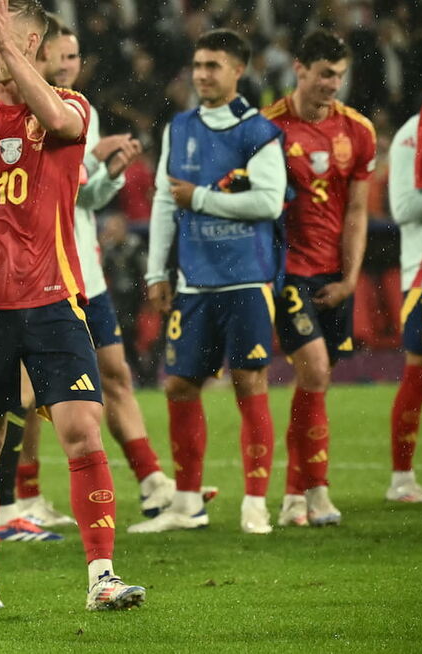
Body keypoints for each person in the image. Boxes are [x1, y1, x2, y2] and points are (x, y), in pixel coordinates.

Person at [0, 0, 144, 612]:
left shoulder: (68, 104)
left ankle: (101, 574)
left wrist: (15, 59)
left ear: (31, 44)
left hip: (54, 300)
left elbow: (62, 123)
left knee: (82, 432)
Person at [7, 16, 175, 529]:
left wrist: (109, 171)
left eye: (77, 57)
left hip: (85, 270)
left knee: (116, 373)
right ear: (38, 55)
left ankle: (152, 482)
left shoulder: (84, 109)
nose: (70, 65)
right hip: (37, 273)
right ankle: (19, 496)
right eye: (63, 56)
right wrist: (93, 161)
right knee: (26, 389)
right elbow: (38, 185)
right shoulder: (17, 110)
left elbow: (83, 196)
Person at [131, 29, 284, 535]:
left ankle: (256, 503)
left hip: (246, 279)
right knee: (179, 385)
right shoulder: (180, 127)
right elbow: (161, 200)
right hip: (194, 281)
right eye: (197, 65)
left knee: (248, 382)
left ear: (237, 70)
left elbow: (268, 202)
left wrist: (200, 199)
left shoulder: (257, 130)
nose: (201, 74)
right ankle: (189, 503)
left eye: (213, 65)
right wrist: (157, 270)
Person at [262, 30, 376, 527]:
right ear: (299, 68)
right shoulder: (266, 127)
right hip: (288, 272)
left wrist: (351, 279)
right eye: (325, 73)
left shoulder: (358, 131)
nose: (333, 83)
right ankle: (313, 490)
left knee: (318, 381)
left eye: (340, 75)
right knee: (314, 370)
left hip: (334, 273)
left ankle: (296, 499)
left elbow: (356, 214)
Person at [387, 90, 422, 501]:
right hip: (421, 270)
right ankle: (401, 478)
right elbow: (402, 208)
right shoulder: (410, 136)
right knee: (420, 372)